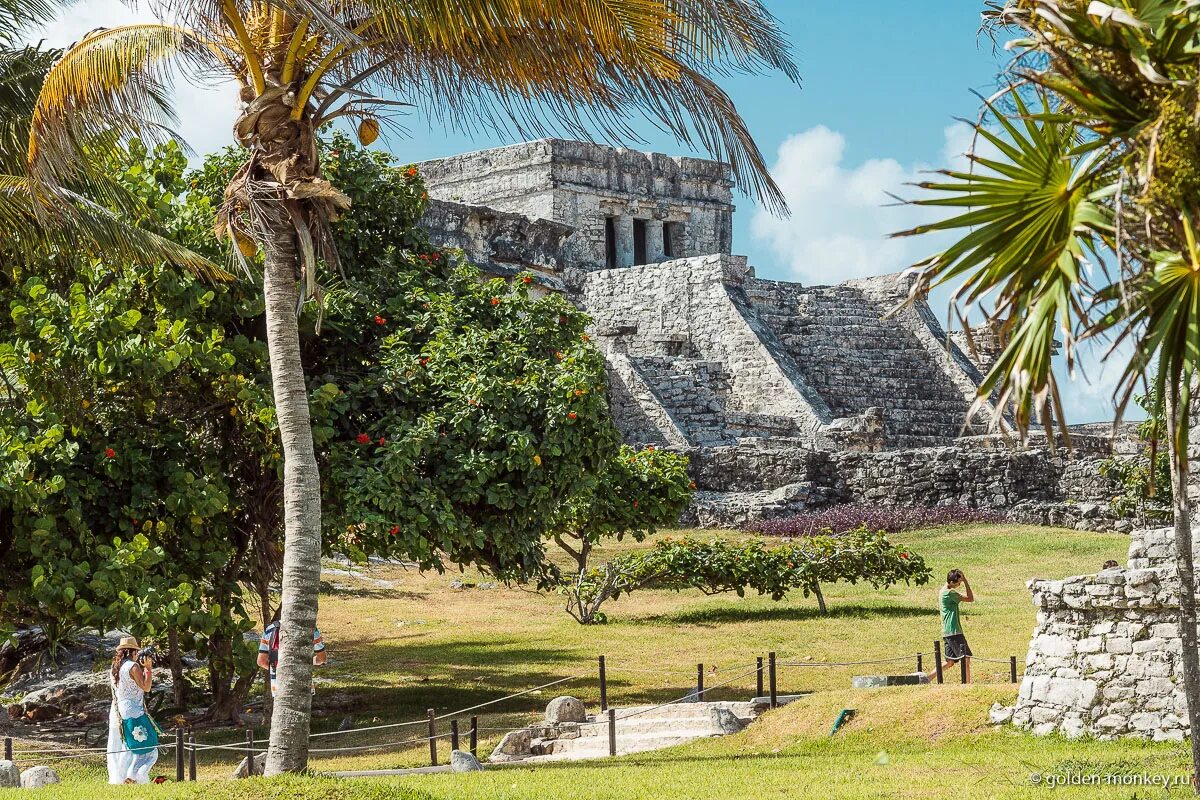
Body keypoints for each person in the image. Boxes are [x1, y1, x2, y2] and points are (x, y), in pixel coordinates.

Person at [106, 636, 159, 785]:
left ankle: (121, 776)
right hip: (133, 710)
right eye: (136, 651)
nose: (138, 654)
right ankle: (134, 775)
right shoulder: (132, 667)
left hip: (118, 710)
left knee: (126, 743)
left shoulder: (115, 667)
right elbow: (146, 687)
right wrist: (148, 669)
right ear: (132, 652)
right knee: (145, 742)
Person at [257, 613, 326, 697]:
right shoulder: (310, 628)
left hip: (278, 687)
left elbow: (261, 661)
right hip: (303, 685)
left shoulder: (270, 629)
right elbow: (322, 659)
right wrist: (305, 663)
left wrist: (280, 669)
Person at [930, 569, 974, 683]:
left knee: (949, 662)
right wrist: (966, 581)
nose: (959, 585)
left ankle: (927, 678)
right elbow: (970, 598)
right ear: (952, 581)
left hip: (946, 631)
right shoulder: (950, 593)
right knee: (966, 659)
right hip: (954, 632)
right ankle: (967, 685)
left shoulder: (942, 591)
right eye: (958, 583)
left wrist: (962, 579)